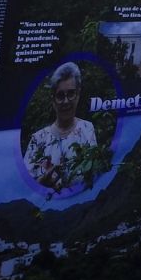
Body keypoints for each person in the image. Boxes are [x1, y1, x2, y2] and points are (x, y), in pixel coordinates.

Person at [25, 61, 99, 198]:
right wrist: (41, 185)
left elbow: (93, 175)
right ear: (53, 99)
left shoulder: (87, 129)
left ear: (78, 94)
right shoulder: (37, 139)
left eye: (71, 93)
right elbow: (26, 190)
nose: (66, 101)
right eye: (60, 95)